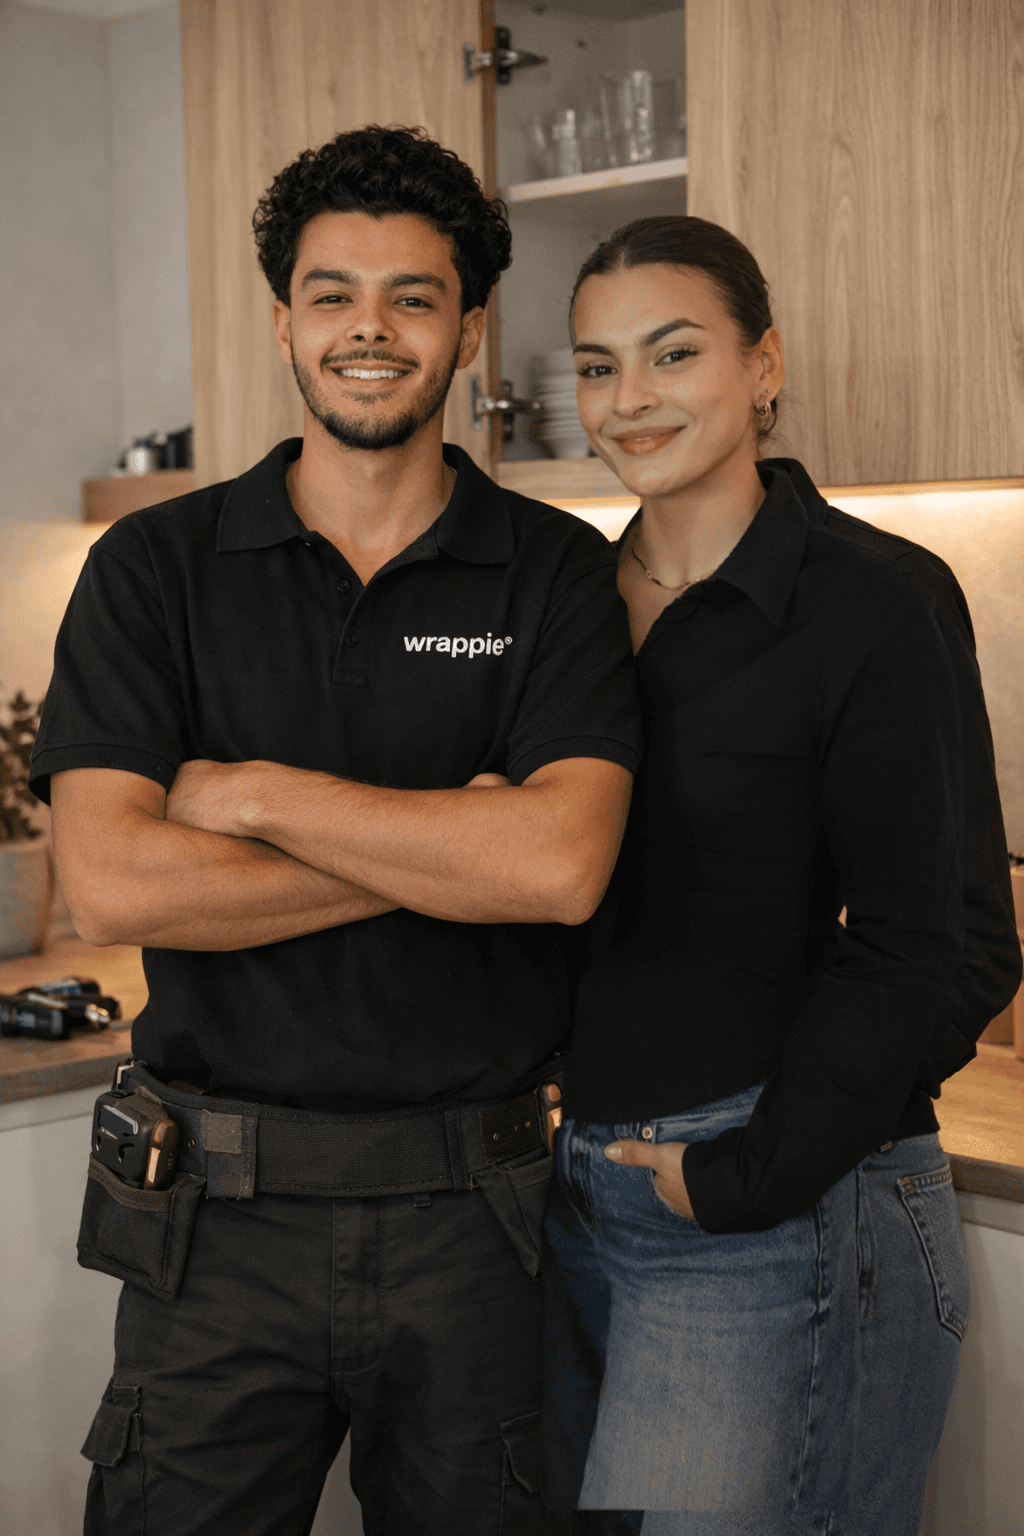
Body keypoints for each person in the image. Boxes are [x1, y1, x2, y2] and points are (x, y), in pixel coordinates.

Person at [30, 126, 644, 1536]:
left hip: (478, 1218)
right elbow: (115, 878)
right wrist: (450, 850)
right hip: (207, 1218)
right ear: (283, 322)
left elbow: (558, 867)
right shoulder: (155, 569)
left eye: (413, 297)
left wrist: (248, 797)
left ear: (470, 329)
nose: (370, 330)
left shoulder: (551, 571)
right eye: (333, 293)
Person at [538, 215, 1022, 1534]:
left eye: (671, 353)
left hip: (768, 1198)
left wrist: (749, 1173)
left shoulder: (873, 599)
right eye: (594, 367)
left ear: (763, 366)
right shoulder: (562, 605)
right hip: (574, 1189)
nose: (628, 399)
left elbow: (948, 935)